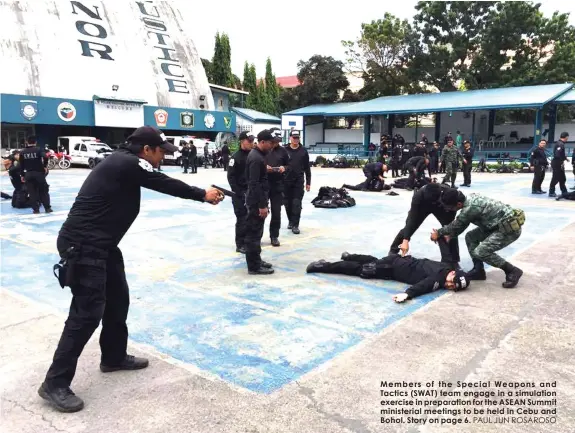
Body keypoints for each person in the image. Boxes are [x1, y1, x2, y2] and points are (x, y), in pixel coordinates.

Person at [39, 126, 223, 413]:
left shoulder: (124, 162)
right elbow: (164, 183)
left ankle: (112, 357)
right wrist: (203, 194)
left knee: (118, 300)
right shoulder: (128, 161)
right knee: (86, 314)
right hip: (85, 246)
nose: (164, 157)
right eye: (162, 151)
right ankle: (54, 383)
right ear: (146, 149)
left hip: (103, 246)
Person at [431, 192, 525, 289]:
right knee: (471, 237)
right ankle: (478, 270)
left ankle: (512, 270)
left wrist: (438, 233)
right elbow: (462, 224)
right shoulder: (470, 199)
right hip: (495, 226)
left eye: (449, 207)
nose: (448, 210)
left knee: (481, 251)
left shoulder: (470, 208)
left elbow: (457, 225)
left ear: (459, 204)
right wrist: (451, 235)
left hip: (509, 230)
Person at [306, 252, 469, 303]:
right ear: (452, 274)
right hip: (393, 268)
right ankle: (322, 266)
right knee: (363, 270)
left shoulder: (447, 267)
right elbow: (425, 285)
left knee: (373, 262)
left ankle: (349, 255)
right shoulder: (440, 276)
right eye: (451, 283)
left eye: (453, 288)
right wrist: (408, 294)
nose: (449, 286)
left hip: (397, 261)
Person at [389, 183, 461, 264]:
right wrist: (405, 240)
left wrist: (448, 230)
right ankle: (393, 252)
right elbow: (412, 219)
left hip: (441, 206)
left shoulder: (447, 193)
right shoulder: (418, 196)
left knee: (450, 230)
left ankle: (454, 260)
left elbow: (452, 210)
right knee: (409, 227)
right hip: (423, 206)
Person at [244, 130, 275, 275]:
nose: (271, 145)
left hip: (258, 199)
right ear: (262, 142)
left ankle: (256, 259)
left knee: (257, 232)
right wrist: (262, 205)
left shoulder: (259, 156)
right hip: (256, 202)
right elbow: (254, 184)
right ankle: (254, 266)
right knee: (254, 234)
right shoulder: (256, 158)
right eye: (270, 143)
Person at [228, 132, 255, 254]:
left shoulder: (253, 155)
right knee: (242, 218)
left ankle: (248, 241)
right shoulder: (235, 157)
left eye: (252, 140)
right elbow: (231, 177)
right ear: (242, 141)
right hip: (239, 194)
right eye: (249, 141)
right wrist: (238, 192)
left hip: (251, 192)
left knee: (252, 219)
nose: (251, 143)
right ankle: (240, 244)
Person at [284, 130, 311, 235]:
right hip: (286, 181)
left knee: (296, 203)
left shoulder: (303, 151)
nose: (296, 140)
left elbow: (307, 168)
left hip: (298, 181)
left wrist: (308, 182)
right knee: (287, 203)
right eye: (294, 138)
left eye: (297, 138)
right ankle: (290, 221)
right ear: (290, 138)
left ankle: (295, 225)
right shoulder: (284, 150)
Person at [265, 128, 289, 247]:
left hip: (277, 185)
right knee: (261, 211)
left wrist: (284, 168)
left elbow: (289, 165)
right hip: (264, 184)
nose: (276, 143)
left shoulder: (283, 151)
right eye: (274, 141)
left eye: (278, 141)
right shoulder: (264, 150)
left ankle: (274, 236)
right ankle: (257, 236)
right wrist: (265, 167)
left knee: (276, 212)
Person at [18, 136, 52, 214]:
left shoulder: (22, 152)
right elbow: (45, 157)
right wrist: (45, 166)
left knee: (32, 193)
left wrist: (22, 175)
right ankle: (47, 208)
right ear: (35, 142)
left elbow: (21, 165)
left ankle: (36, 210)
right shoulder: (39, 149)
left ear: (27, 142)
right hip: (39, 174)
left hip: (28, 174)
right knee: (43, 191)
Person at [548, 132, 569, 198]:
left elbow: (561, 154)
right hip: (557, 163)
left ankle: (564, 191)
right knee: (555, 178)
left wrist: (565, 158)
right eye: (567, 137)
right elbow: (557, 154)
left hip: (559, 163)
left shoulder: (560, 143)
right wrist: (561, 161)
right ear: (566, 137)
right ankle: (551, 192)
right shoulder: (560, 144)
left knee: (562, 178)